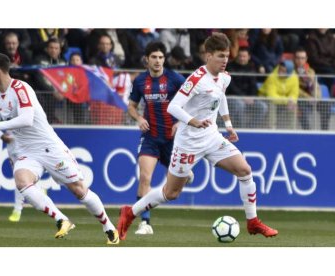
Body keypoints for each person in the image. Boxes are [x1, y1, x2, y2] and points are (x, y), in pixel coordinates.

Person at [117, 32, 278, 241]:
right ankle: (130, 212)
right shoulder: (195, 79)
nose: (225, 60)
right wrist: (193, 121)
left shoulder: (225, 77)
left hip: (211, 137)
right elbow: (173, 107)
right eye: (220, 56)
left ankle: (253, 222)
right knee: (171, 193)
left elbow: (220, 98)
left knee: (245, 170)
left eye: (227, 56)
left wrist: (228, 125)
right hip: (188, 143)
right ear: (208, 56)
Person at [0, 53, 119, 244]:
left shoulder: (20, 88)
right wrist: (1, 131)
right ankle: (62, 220)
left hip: (49, 148)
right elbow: (9, 124)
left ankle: (109, 227)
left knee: (79, 190)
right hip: (27, 152)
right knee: (22, 182)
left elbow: (26, 119)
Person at [128, 41, 193, 235]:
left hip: (173, 139)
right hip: (150, 137)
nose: (158, 61)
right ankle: (145, 223)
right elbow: (131, 105)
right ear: (146, 59)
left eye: (161, 57)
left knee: (177, 181)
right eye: (154, 57)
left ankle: (185, 173)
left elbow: (191, 101)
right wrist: (139, 117)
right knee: (145, 177)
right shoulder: (140, 81)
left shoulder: (174, 79)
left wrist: (180, 122)